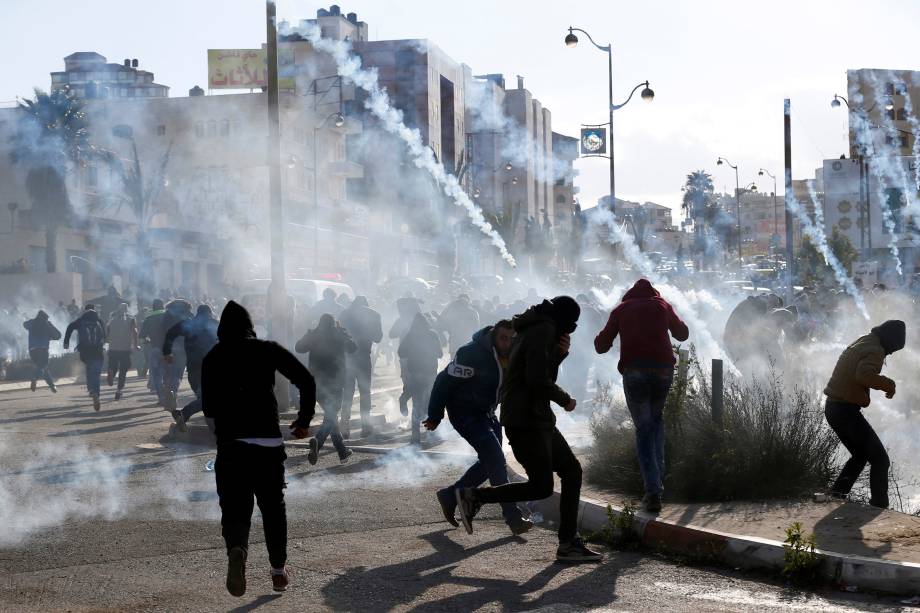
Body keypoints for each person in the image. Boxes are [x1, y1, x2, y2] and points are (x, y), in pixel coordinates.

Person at [455, 297, 602, 562]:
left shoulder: (534, 327)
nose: (568, 333)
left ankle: (569, 542)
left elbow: (539, 373)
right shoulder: (543, 330)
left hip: (533, 416)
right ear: (562, 321)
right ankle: (473, 496)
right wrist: (565, 399)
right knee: (542, 485)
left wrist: (558, 355)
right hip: (527, 419)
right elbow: (537, 380)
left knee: (570, 471)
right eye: (568, 327)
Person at [201, 301, 317, 597]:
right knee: (272, 508)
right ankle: (278, 572)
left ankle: (237, 549)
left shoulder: (212, 357)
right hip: (267, 443)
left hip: (231, 445)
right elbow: (305, 379)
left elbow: (209, 408)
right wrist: (303, 421)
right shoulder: (267, 348)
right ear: (250, 325)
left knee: (235, 507)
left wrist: (223, 435)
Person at [423, 319, 532, 535]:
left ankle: (449, 495)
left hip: (488, 414)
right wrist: (435, 415)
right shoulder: (471, 353)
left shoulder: (514, 353)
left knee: (489, 462)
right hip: (465, 413)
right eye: (503, 338)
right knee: (497, 461)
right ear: (494, 337)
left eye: (511, 339)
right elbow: (443, 381)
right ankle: (513, 518)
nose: (507, 343)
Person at [594, 279, 690, 513]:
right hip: (662, 371)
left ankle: (653, 491)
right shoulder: (662, 305)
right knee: (655, 422)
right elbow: (683, 334)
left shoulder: (622, 309)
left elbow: (601, 345)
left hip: (635, 371)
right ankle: (658, 483)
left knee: (644, 429)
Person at [823, 319, 904, 508]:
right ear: (890, 341)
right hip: (844, 410)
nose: (889, 353)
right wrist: (888, 384)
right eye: (892, 349)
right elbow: (863, 375)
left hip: (834, 407)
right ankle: (879, 506)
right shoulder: (876, 350)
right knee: (880, 460)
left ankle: (836, 495)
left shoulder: (865, 340)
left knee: (860, 455)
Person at [295, 314, 356, 463]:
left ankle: (342, 453)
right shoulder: (339, 333)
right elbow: (353, 348)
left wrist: (311, 333)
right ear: (334, 323)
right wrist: (343, 332)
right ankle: (318, 441)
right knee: (331, 417)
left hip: (316, 383)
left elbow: (299, 347)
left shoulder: (314, 334)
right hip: (335, 383)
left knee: (331, 417)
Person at [163, 304, 219, 432]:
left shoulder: (189, 324)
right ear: (209, 313)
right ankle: (183, 414)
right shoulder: (214, 324)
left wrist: (167, 352)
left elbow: (170, 333)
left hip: (193, 369)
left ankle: (213, 429)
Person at [339, 295, 383, 438]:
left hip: (347, 358)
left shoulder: (343, 314)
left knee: (347, 392)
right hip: (364, 357)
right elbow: (378, 337)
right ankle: (365, 426)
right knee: (365, 392)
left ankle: (344, 425)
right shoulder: (374, 314)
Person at [398, 313, 443, 444]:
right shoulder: (432, 334)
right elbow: (440, 354)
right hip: (429, 373)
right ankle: (431, 435)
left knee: (416, 404)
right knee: (430, 403)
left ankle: (415, 437)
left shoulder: (410, 335)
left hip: (415, 372)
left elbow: (401, 352)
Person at [64, 304, 107, 411]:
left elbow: (69, 327)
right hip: (98, 351)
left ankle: (91, 389)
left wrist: (66, 342)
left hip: (85, 351)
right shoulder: (99, 321)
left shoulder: (80, 321)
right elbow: (105, 336)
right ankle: (96, 393)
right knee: (96, 373)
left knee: (89, 368)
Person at [23, 309, 61, 393]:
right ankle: (35, 377)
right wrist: (50, 334)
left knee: (44, 368)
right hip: (43, 350)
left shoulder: (32, 323)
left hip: (32, 351)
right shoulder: (47, 324)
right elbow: (58, 335)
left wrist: (32, 321)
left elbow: (24, 324)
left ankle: (52, 386)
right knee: (42, 367)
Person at [106, 303, 138, 400]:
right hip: (125, 349)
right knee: (123, 370)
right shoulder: (131, 319)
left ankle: (111, 372)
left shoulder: (111, 319)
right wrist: (135, 345)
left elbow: (107, 333)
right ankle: (119, 391)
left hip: (112, 348)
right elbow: (135, 332)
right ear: (126, 309)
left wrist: (109, 342)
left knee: (113, 366)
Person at [140, 299, 168, 404]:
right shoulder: (169, 316)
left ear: (153, 307)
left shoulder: (149, 319)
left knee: (156, 375)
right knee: (169, 373)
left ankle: (161, 397)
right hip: (169, 349)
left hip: (155, 348)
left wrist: (147, 341)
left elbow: (142, 338)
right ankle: (171, 392)